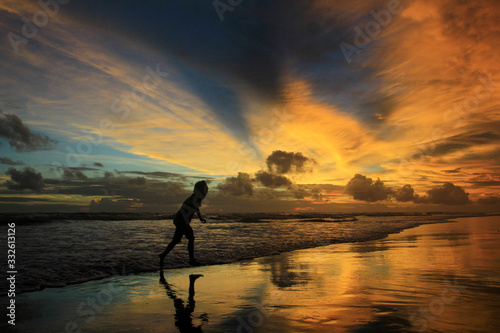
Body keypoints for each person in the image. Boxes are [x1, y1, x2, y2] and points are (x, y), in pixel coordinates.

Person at [159, 180, 208, 267]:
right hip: (181, 221)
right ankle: (191, 260)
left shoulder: (195, 198)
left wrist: (200, 218)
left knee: (176, 240)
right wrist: (198, 218)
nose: (207, 190)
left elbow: (196, 209)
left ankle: (163, 255)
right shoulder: (195, 198)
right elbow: (193, 209)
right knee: (191, 238)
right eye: (206, 189)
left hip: (180, 220)